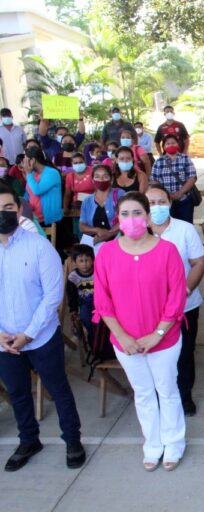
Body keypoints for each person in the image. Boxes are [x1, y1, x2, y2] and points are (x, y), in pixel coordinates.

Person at [94, 191, 187, 471]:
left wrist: (157, 333)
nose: (131, 219)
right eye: (125, 214)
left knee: (167, 389)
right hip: (126, 342)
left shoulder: (167, 250)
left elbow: (176, 297)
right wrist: (122, 336)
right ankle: (153, 444)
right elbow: (102, 299)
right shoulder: (107, 252)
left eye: (137, 213)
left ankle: (174, 443)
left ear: (147, 217)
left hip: (164, 339)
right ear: (117, 218)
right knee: (143, 393)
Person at [0, 184, 86, 472]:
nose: (2, 213)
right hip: (4, 341)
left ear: (19, 209)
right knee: (18, 392)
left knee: (58, 388)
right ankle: (28, 440)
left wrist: (28, 334)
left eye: (8, 207)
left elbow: (52, 296)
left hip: (39, 336)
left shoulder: (39, 246)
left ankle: (72, 440)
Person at [146, 184, 204, 416]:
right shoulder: (138, 232)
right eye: (151, 203)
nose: (157, 207)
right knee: (155, 354)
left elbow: (198, 263)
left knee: (183, 353)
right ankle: (160, 396)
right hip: (151, 309)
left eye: (161, 202)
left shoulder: (184, 229)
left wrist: (185, 291)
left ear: (170, 203)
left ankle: (184, 395)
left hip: (184, 306)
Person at [151, 134, 198, 224]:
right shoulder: (159, 161)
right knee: (168, 226)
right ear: (164, 147)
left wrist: (180, 193)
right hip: (165, 202)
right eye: (168, 143)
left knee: (186, 225)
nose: (171, 145)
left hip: (184, 200)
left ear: (178, 145)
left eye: (173, 143)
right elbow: (154, 180)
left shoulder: (185, 159)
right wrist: (167, 194)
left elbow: (192, 177)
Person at [79, 165, 123, 246]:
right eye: (97, 177)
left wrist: (108, 234)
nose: (101, 180)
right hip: (95, 242)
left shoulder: (119, 194)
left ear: (111, 179)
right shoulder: (87, 201)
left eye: (105, 176)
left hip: (118, 241)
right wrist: (97, 230)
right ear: (92, 180)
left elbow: (126, 219)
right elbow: (82, 226)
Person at [22, 148, 62, 227]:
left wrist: (28, 173)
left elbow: (37, 190)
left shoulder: (51, 173)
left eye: (26, 161)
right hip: (35, 219)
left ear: (33, 160)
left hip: (50, 221)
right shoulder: (32, 173)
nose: (24, 164)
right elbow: (28, 193)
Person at [66, 244, 95, 347]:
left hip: (99, 303)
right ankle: (93, 337)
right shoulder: (73, 277)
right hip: (84, 305)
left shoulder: (98, 272)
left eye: (87, 260)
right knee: (85, 317)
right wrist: (73, 310)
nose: (85, 264)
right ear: (75, 262)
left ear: (93, 260)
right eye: (81, 261)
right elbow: (72, 295)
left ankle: (101, 338)